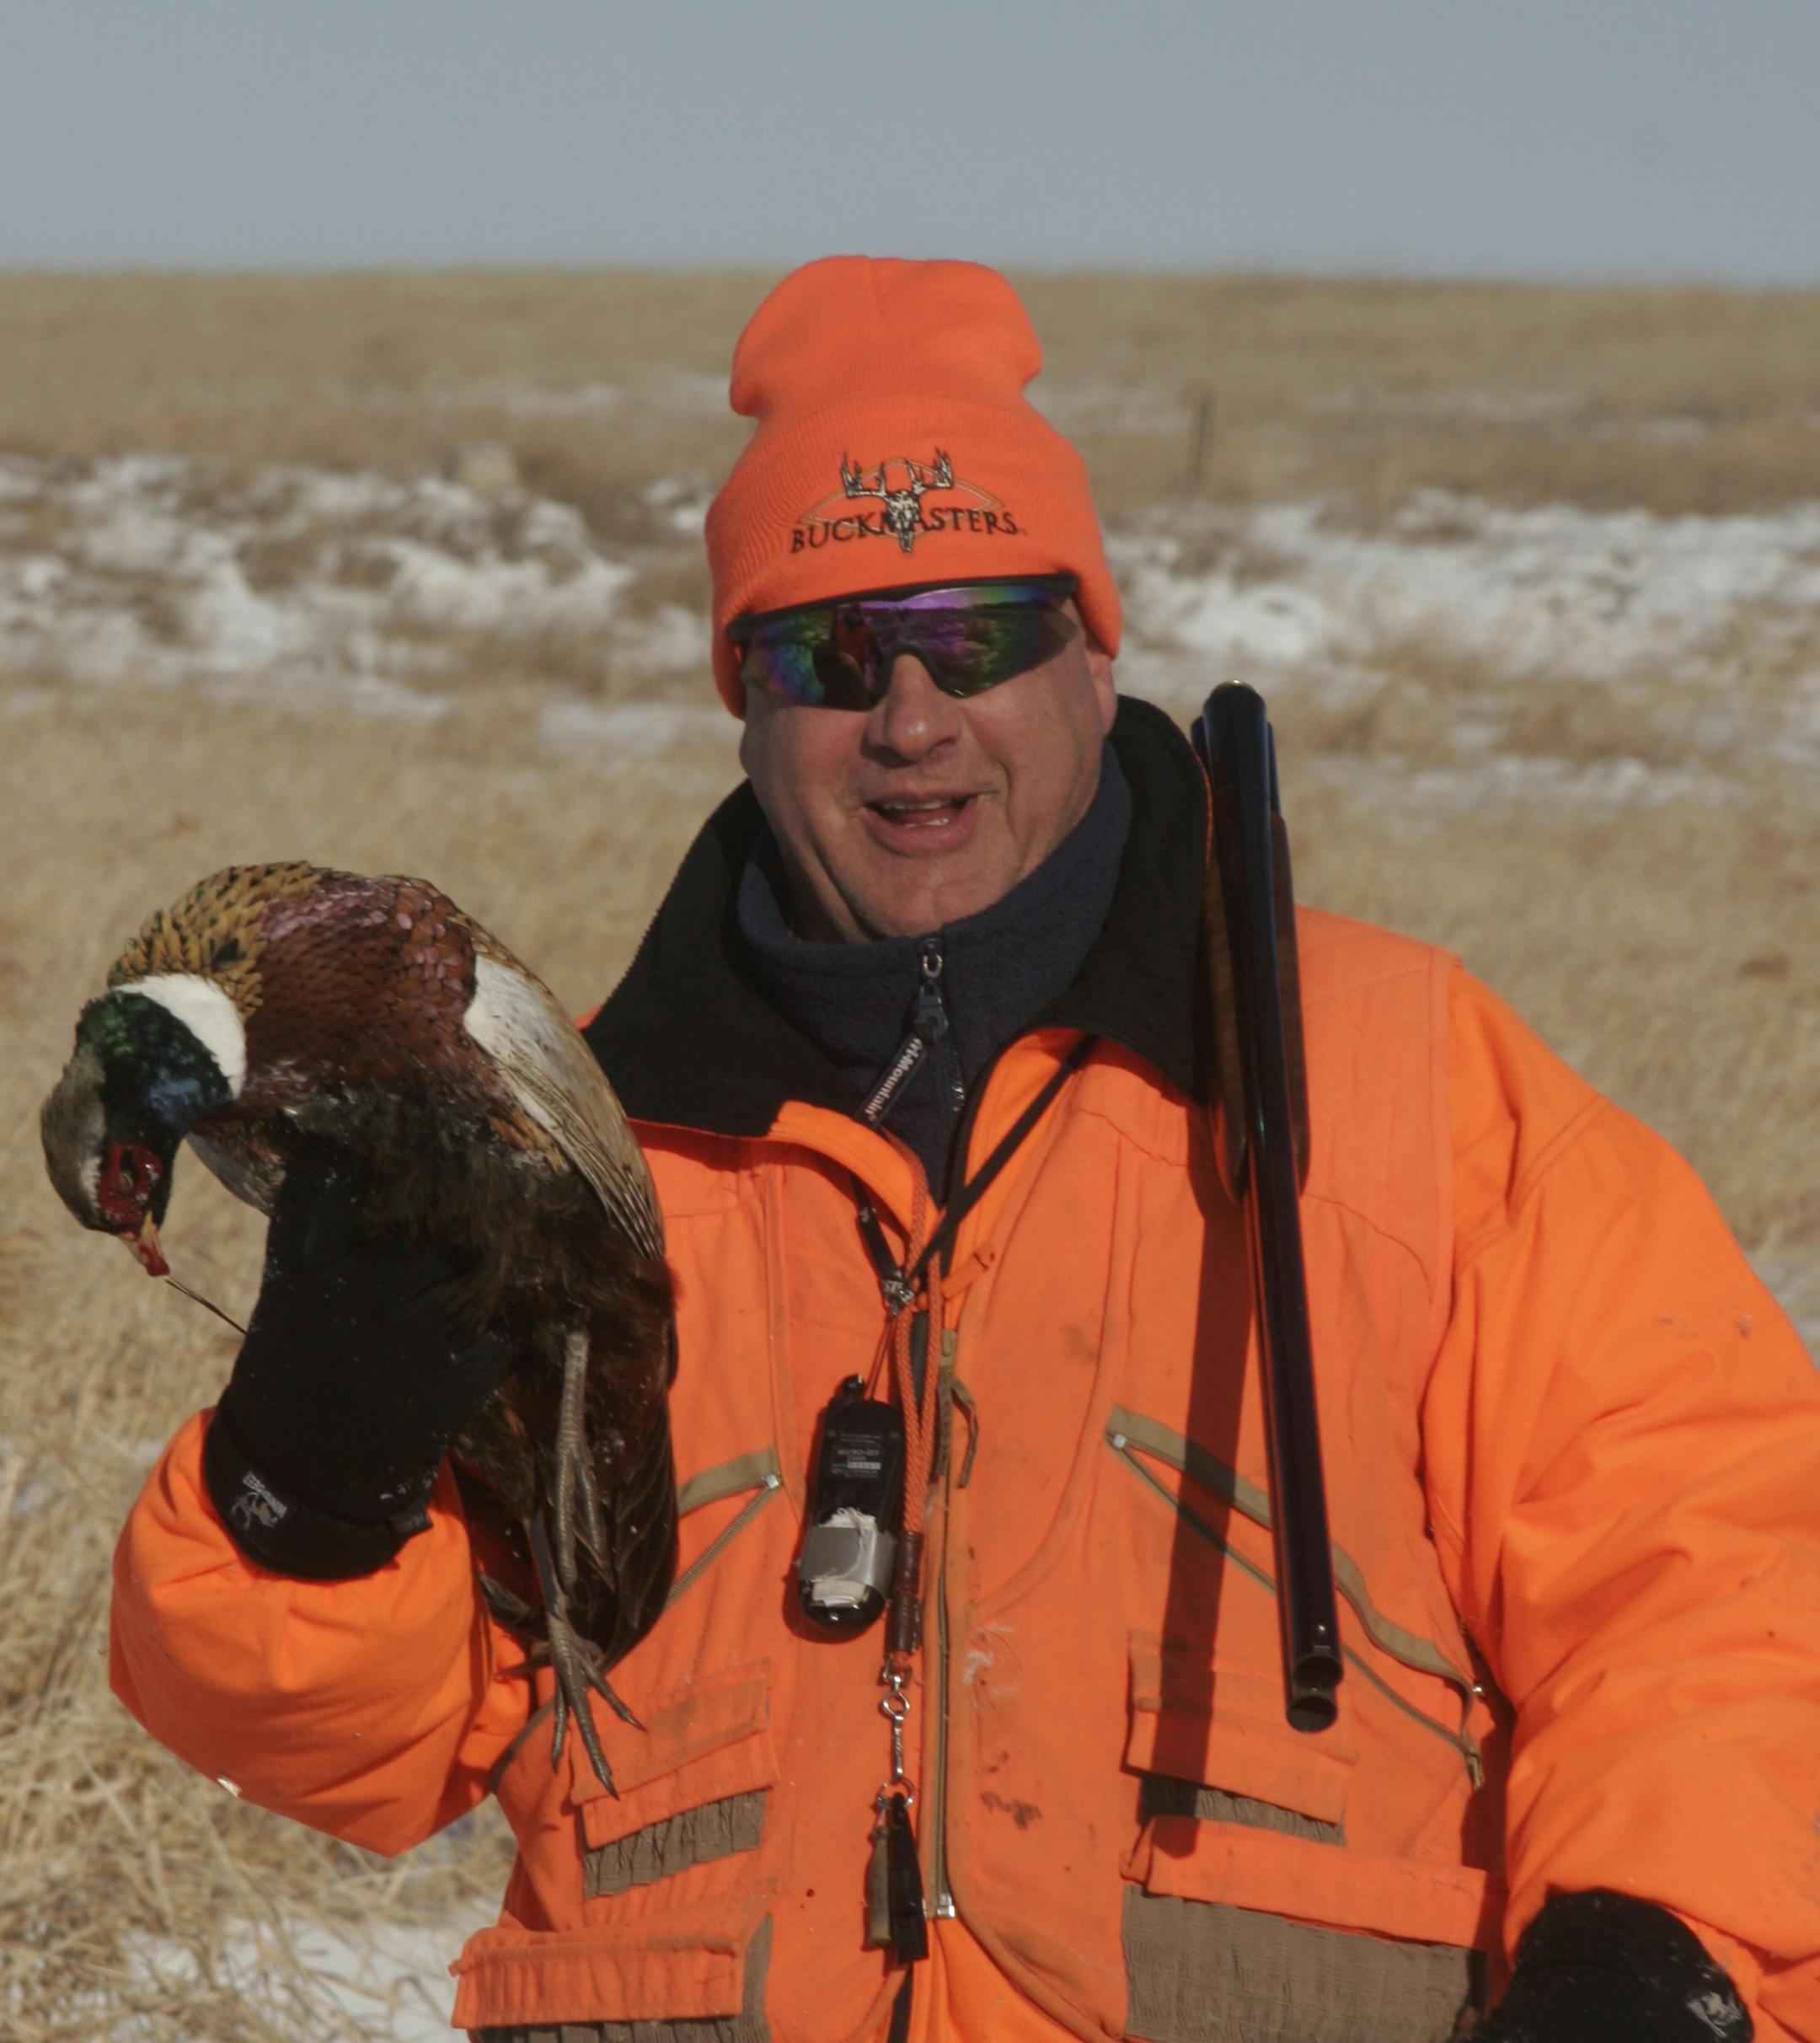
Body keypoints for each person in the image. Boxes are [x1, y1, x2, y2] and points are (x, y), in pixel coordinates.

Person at [111, 257, 1820, 2043]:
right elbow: (335, 1754)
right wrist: (303, 1492)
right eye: (832, 652)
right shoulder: (579, 1167)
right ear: (747, 704)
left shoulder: (1403, 1088)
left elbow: (1721, 1578)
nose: (913, 715)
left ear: (1093, 657)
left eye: (978, 633)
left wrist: (1650, 1955)